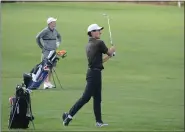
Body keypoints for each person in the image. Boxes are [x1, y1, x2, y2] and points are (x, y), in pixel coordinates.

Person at [62, 24, 116, 127]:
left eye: (100, 31)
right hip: (94, 75)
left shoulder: (89, 44)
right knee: (86, 98)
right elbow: (108, 52)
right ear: (92, 32)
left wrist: (110, 56)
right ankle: (69, 115)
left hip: (94, 73)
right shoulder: (99, 43)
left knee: (97, 98)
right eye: (98, 31)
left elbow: (100, 61)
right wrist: (112, 51)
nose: (100, 32)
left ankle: (99, 122)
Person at [36, 17, 62, 89]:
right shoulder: (45, 31)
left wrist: (58, 43)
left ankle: (48, 82)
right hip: (47, 51)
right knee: (46, 66)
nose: (55, 23)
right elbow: (37, 37)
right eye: (53, 22)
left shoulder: (55, 30)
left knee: (51, 66)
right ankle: (45, 83)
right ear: (50, 23)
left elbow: (59, 37)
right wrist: (41, 46)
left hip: (53, 51)